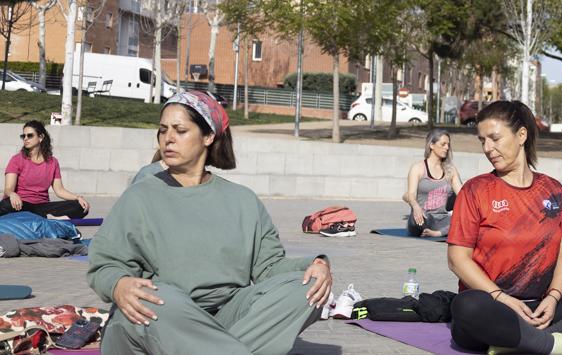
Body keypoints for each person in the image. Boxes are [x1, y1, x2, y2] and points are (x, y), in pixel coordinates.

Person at [88, 91, 331, 355]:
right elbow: (105, 263)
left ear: (208, 136)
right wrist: (119, 284)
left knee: (307, 288)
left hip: (225, 319)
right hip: (162, 317)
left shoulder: (243, 201)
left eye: (180, 130)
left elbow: (268, 267)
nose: (168, 138)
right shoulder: (140, 196)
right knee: (159, 298)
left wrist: (312, 266)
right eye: (162, 130)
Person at [447, 100, 562, 355]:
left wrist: (553, 298)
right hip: (492, 304)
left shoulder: (554, 190)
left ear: (521, 135)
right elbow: (457, 260)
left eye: (494, 138)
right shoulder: (475, 190)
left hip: (537, 306)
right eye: (483, 141)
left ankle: (517, 341)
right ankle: (551, 345)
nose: (488, 148)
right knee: (467, 307)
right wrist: (503, 298)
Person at [2, 120, 89, 219]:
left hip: (42, 206)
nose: (25, 139)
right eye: (23, 136)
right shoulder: (17, 159)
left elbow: (59, 190)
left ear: (41, 137)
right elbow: (8, 189)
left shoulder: (53, 162)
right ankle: (48, 218)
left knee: (80, 206)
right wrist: (12, 194)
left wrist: (78, 198)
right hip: (21, 205)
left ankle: (43, 217)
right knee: (5, 205)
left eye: (30, 135)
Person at [404, 128, 463, 237]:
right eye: (443, 144)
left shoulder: (451, 170)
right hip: (422, 216)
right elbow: (411, 194)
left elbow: (462, 195)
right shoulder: (418, 168)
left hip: (442, 219)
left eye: (448, 144)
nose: (447, 147)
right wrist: (415, 207)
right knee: (419, 220)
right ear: (431, 145)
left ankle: (438, 233)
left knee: (464, 220)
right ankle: (441, 231)